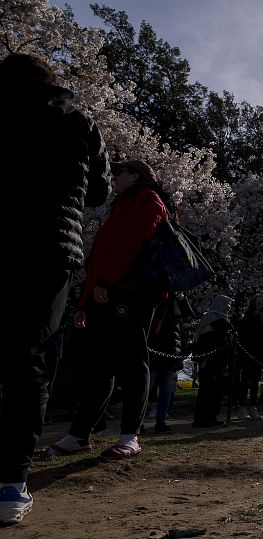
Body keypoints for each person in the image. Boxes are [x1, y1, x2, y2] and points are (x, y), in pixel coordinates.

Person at [0, 53, 111, 525]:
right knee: (31, 360)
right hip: (49, 248)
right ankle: (9, 483)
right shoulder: (76, 119)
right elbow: (100, 192)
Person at [44, 159, 171, 461]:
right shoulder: (124, 204)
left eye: (119, 172)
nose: (113, 177)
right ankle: (80, 434)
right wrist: (85, 302)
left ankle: (130, 435)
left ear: (136, 175)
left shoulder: (147, 200)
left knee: (132, 363)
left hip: (132, 294)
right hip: (106, 294)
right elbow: (103, 254)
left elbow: (131, 244)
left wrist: (106, 281)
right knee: (98, 367)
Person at [147, 291, 194, 433]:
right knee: (147, 387)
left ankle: (161, 421)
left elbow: (187, 314)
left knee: (167, 389)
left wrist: (181, 298)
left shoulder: (176, 301)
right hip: (153, 349)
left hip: (171, 351)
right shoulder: (155, 298)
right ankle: (138, 421)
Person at [192, 295, 235, 428]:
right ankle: (201, 418)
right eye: (227, 304)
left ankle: (212, 416)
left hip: (221, 358)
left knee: (218, 390)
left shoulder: (226, 318)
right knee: (207, 389)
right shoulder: (211, 316)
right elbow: (203, 335)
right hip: (209, 358)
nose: (229, 307)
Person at [236, 294, 263, 420]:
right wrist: (255, 319)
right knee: (245, 380)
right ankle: (242, 407)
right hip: (247, 353)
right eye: (259, 303)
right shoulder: (247, 318)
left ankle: (253, 406)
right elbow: (244, 334)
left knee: (255, 381)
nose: (261, 306)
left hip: (259, 354)